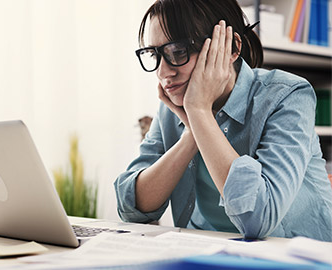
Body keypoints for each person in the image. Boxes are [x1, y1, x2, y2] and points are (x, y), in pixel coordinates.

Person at [114, 0, 332, 241]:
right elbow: (131, 207)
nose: (163, 72)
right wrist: (192, 133)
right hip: (208, 254)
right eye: (154, 55)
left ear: (231, 48)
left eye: (178, 52)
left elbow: (258, 219)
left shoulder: (287, 96)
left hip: (297, 257)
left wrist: (199, 111)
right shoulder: (175, 106)